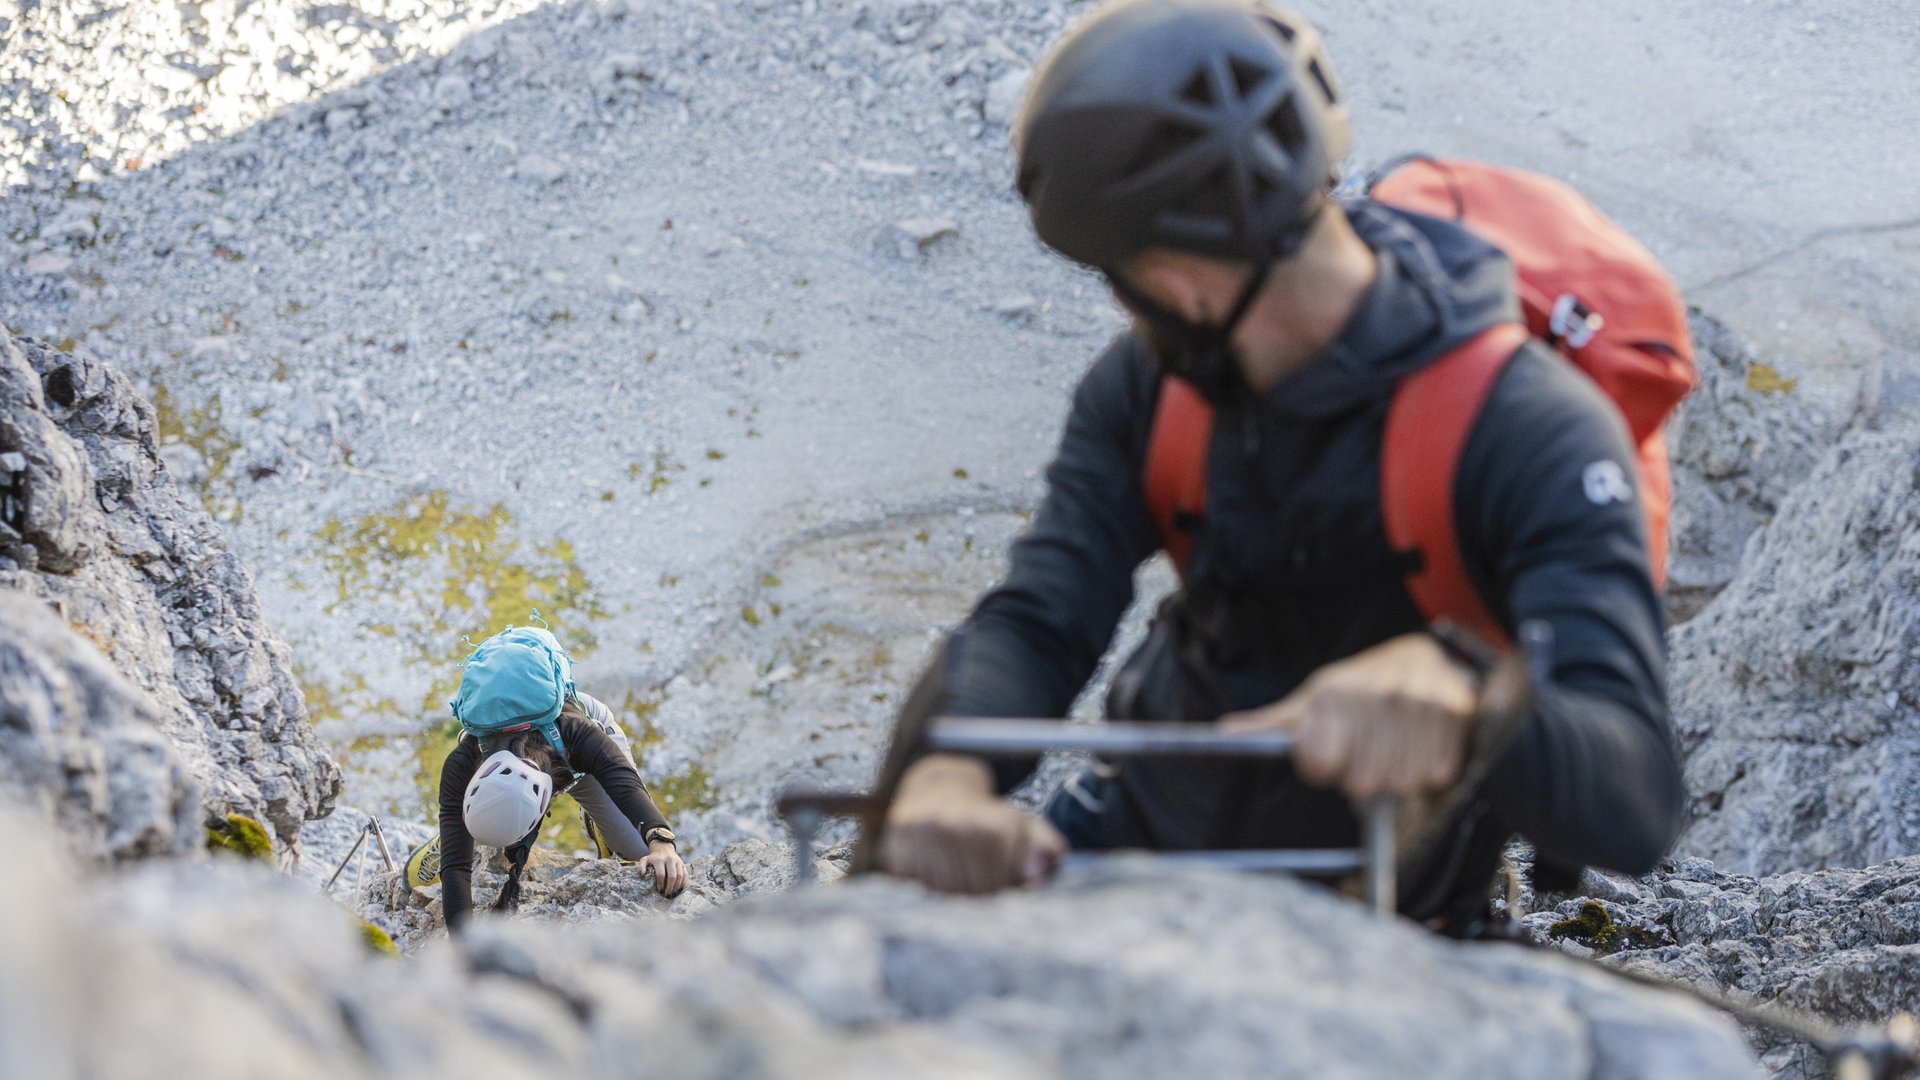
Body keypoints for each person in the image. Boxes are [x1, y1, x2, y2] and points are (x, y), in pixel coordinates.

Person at [874, 0, 1685, 927]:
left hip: (1389, 920)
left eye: (1118, 277)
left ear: (1179, 275)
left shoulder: (1527, 429)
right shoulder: (1150, 386)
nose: (1124, 312)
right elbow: (1042, 612)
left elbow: (1635, 799)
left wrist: (1473, 705)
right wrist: (944, 773)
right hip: (1125, 854)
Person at [435, 625, 688, 933]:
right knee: (463, 842)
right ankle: (452, 836)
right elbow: (456, 868)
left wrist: (661, 843)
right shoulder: (462, 766)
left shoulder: (575, 732)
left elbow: (622, 779)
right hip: (527, 772)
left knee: (636, 849)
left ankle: (598, 823)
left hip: (580, 761)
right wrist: (463, 944)